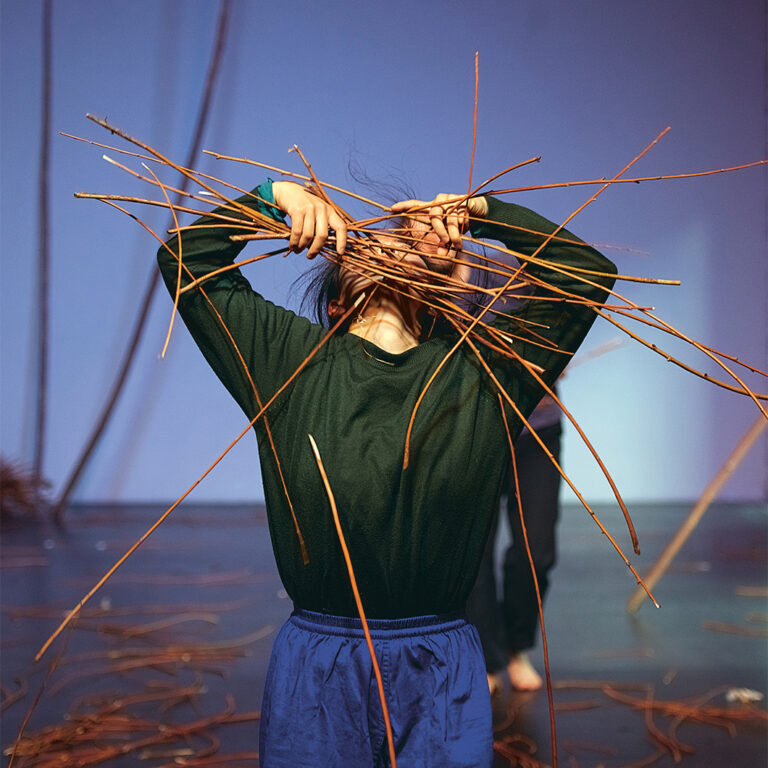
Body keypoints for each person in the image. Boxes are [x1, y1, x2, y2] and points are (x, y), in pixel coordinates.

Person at [157, 177, 616, 767]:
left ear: (434, 298)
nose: (393, 247)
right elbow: (184, 258)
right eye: (376, 244)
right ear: (336, 305)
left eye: (406, 248)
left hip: (439, 665)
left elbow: (584, 272)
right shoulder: (290, 363)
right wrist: (275, 196)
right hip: (320, 664)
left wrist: (483, 213)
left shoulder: (479, 378)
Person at [467, 391, 563, 694]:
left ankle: (516, 646)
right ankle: (486, 659)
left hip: (538, 428)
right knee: (475, 552)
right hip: (473, 426)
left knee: (536, 551)